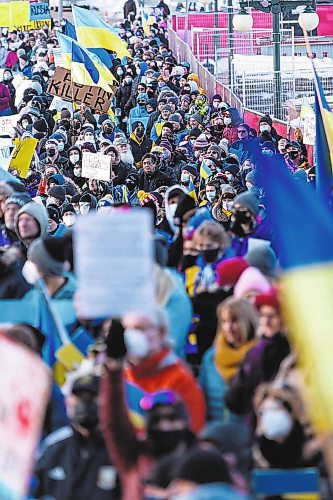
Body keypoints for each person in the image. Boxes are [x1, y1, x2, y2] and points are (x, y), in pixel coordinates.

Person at [35, 373, 120, 499]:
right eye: (79, 397)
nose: (84, 403)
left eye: (91, 397)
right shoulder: (54, 446)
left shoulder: (117, 450)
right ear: (68, 402)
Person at [199, 297, 258, 422]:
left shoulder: (257, 356)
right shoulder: (211, 358)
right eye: (224, 321)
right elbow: (201, 399)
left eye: (234, 321)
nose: (228, 328)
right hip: (216, 432)